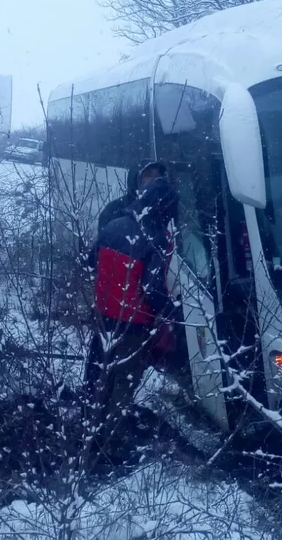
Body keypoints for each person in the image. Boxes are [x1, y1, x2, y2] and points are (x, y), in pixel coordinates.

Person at [84, 176, 179, 423]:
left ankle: (87, 428)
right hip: (132, 325)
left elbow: (89, 262)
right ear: (165, 208)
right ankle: (112, 444)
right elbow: (151, 288)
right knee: (123, 384)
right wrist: (172, 312)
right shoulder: (158, 239)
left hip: (102, 317)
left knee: (97, 373)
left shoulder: (113, 225)